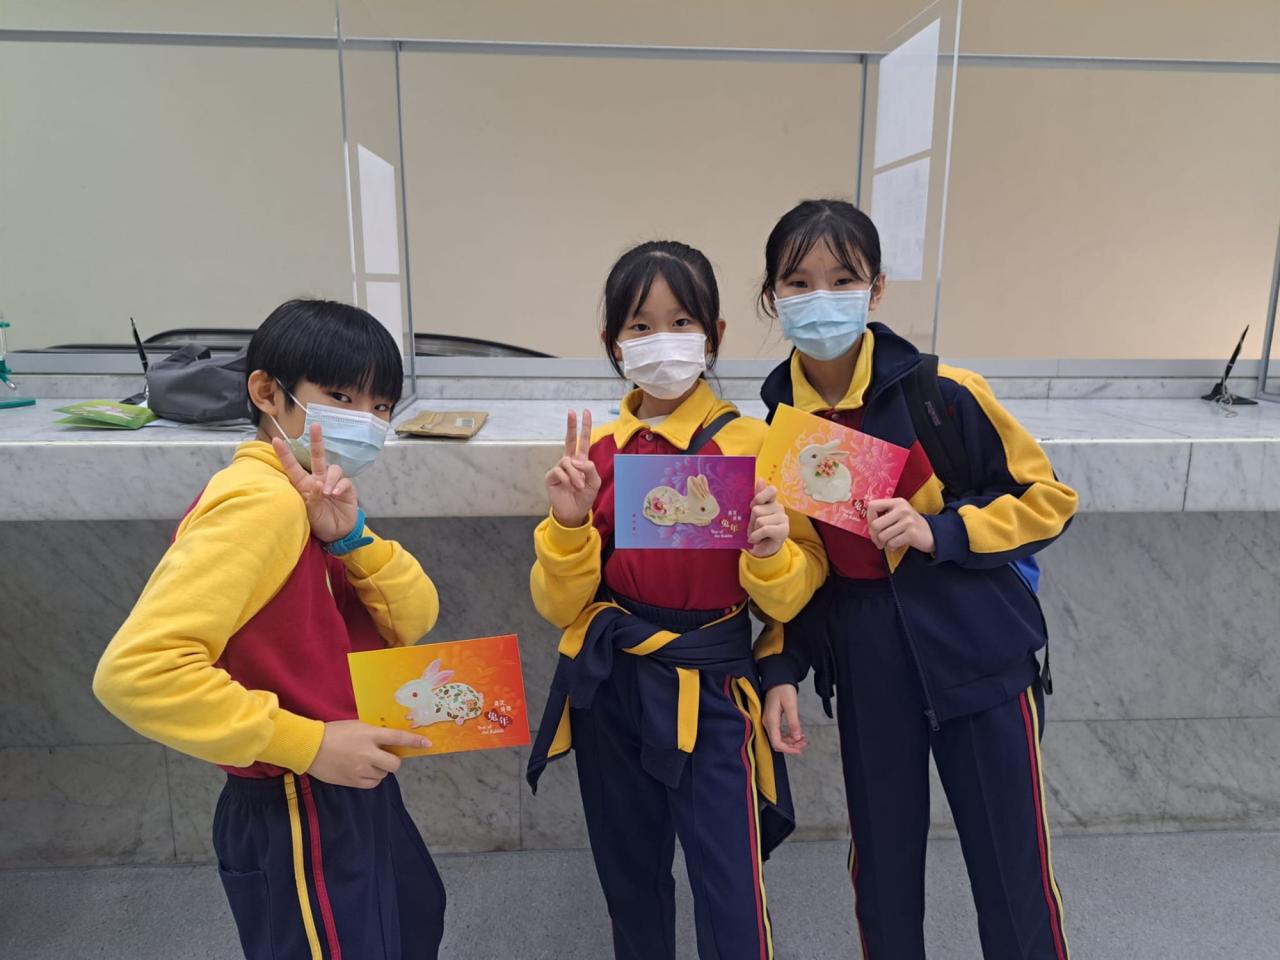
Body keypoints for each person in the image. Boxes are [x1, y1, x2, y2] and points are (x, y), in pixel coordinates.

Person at [755, 200, 1078, 959]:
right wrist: (780, 667)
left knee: (1013, 877)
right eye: (798, 282)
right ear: (772, 298)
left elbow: (1049, 500)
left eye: (843, 279)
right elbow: (807, 570)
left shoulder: (942, 393)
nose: (820, 297)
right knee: (884, 878)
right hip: (871, 672)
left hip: (978, 655)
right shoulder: (781, 429)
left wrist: (944, 530)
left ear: (876, 289)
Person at [93, 299, 446, 960]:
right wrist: (308, 743)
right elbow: (136, 672)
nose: (367, 422)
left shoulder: (309, 497)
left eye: (380, 407)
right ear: (266, 391)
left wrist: (353, 538)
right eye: (340, 396)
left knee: (411, 918)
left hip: (341, 779)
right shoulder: (261, 504)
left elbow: (416, 615)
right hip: (298, 794)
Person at [526, 240, 828, 959]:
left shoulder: (763, 444)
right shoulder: (597, 452)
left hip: (715, 688)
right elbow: (559, 607)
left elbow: (802, 587)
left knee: (730, 885)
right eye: (641, 325)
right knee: (629, 877)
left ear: (714, 335)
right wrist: (568, 524)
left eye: (681, 321)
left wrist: (769, 554)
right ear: (613, 343)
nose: (662, 340)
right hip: (613, 684)